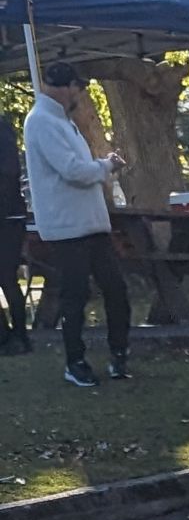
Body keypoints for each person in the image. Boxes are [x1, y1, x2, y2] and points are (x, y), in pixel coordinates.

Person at [25, 62, 129, 390]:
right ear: (63, 87)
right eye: (76, 87)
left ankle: (119, 352)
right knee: (75, 294)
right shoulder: (41, 121)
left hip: (91, 222)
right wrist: (106, 165)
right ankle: (75, 361)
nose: (79, 93)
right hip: (66, 225)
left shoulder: (63, 122)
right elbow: (72, 171)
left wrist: (100, 168)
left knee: (116, 288)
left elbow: (81, 169)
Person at [0, 104, 30, 349]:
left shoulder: (3, 131)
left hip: (8, 216)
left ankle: (20, 334)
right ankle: (5, 334)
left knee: (6, 276)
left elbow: (9, 173)